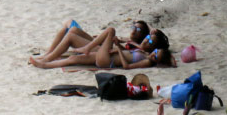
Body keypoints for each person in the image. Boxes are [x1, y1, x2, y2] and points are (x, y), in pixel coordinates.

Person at [30, 27, 173, 70]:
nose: (147, 40)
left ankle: (46, 62)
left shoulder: (147, 59)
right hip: (107, 54)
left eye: (150, 42)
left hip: (106, 60)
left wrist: (117, 47)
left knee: (110, 30)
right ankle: (47, 59)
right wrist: (118, 47)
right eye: (148, 37)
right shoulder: (141, 50)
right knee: (73, 34)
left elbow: (127, 66)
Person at [39, 19, 150, 60]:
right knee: (72, 28)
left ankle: (48, 58)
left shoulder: (137, 47)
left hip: (103, 52)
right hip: (102, 45)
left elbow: (125, 54)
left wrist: (120, 43)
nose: (134, 30)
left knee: (71, 36)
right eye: (133, 27)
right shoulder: (128, 40)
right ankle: (49, 53)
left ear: (143, 36)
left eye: (138, 30)